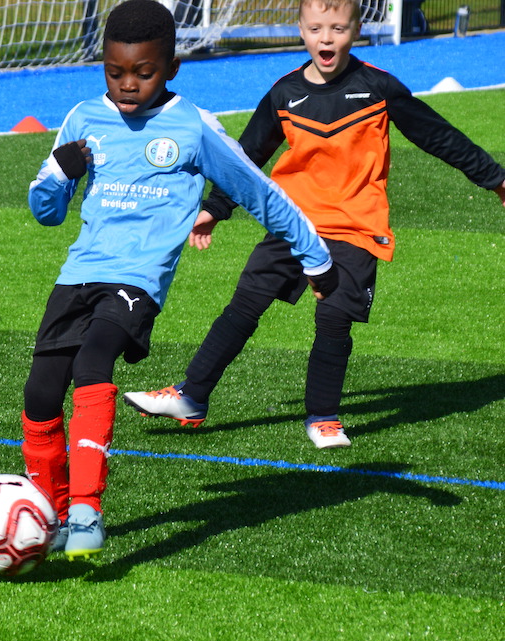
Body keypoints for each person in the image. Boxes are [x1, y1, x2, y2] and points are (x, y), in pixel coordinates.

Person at [22, 0, 338, 561]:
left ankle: (87, 512)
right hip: (78, 274)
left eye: (143, 73)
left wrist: (314, 255)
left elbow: (259, 192)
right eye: (115, 72)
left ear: (171, 67)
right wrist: (57, 175)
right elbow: (46, 212)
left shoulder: (193, 127)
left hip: (136, 280)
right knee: (40, 393)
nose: (127, 84)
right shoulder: (82, 119)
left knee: (93, 362)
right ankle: (51, 515)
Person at [123, 0, 505, 449]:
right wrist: (216, 208)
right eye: (317, 28)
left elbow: (437, 135)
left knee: (333, 319)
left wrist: (495, 178)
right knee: (245, 305)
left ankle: (323, 418)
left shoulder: (378, 87)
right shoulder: (284, 93)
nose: (327, 38)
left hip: (354, 225)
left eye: (338, 28)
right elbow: (246, 157)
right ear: (302, 31)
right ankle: (191, 396)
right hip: (292, 222)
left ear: (356, 31)